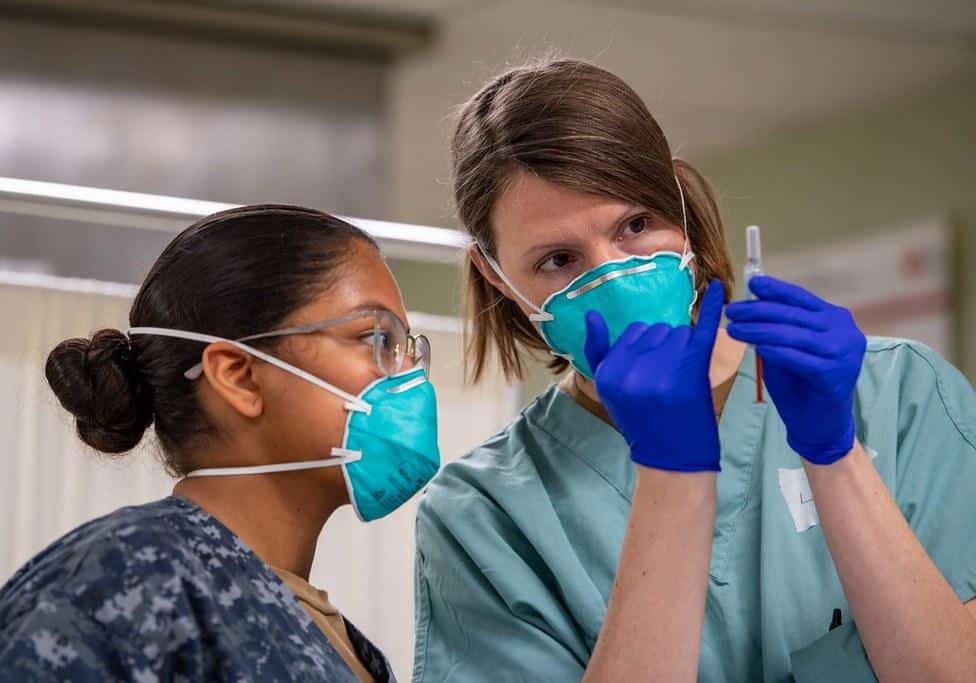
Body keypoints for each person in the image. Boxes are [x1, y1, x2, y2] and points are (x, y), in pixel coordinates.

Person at [411, 58, 976, 682]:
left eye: (635, 225)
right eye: (558, 259)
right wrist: (671, 477)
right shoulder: (485, 513)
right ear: (497, 277)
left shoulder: (898, 395)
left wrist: (835, 453)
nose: (614, 274)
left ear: (678, 202)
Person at [0, 204, 438, 681]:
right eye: (376, 339)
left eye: (407, 348)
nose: (409, 379)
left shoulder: (336, 642)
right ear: (240, 377)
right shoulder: (109, 588)